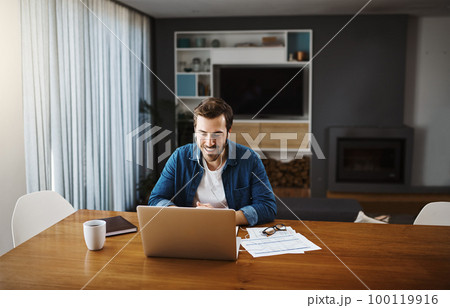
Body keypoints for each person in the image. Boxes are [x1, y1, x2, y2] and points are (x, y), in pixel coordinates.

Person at [148, 97, 276, 226]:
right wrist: (187, 216)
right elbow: (156, 199)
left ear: (228, 132)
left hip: (230, 229)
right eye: (203, 133)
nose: (209, 142)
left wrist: (220, 218)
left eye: (217, 134)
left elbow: (267, 207)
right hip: (189, 228)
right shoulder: (179, 157)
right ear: (195, 132)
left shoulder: (249, 159)